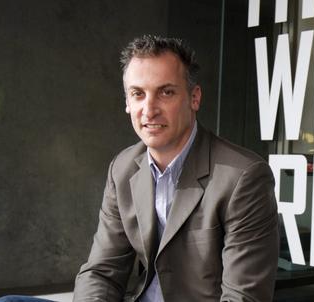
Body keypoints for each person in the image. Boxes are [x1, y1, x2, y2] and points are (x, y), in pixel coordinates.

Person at [71, 35, 279, 301]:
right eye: (138, 94)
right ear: (127, 102)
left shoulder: (243, 178)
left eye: (165, 92)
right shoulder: (123, 168)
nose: (149, 110)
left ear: (194, 98)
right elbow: (101, 273)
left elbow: (244, 297)